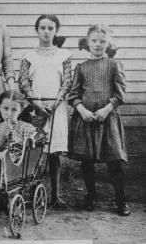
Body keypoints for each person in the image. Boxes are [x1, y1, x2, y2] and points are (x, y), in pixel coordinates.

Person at [67, 25, 130, 216]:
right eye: (94, 40)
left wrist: (107, 108)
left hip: (107, 119)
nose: (98, 44)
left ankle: (121, 201)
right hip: (86, 119)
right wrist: (81, 109)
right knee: (87, 161)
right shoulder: (81, 67)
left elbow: (121, 93)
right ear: (88, 42)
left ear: (108, 43)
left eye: (102, 41)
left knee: (114, 161)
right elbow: (73, 94)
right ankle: (91, 196)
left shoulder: (113, 65)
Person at [19, 14, 72, 208]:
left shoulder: (64, 55)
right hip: (35, 109)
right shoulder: (28, 56)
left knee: (54, 153)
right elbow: (23, 83)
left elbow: (67, 82)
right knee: (34, 150)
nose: (47, 31)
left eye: (51, 28)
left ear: (56, 30)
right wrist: (37, 103)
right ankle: (33, 194)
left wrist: (56, 102)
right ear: (37, 30)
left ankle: (55, 195)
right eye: (43, 28)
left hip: (56, 109)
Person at [0, 90, 36, 165]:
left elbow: (25, 157)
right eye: (5, 109)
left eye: (14, 110)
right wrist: (3, 137)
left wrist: (11, 134)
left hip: (16, 171)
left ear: (20, 110)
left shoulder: (28, 128)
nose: (9, 113)